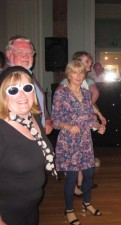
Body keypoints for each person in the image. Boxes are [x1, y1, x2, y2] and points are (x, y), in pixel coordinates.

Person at [0, 66, 57, 225]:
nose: (22, 95)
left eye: (27, 87)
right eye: (13, 90)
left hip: (31, 208)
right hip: (8, 213)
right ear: (3, 96)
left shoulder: (35, 119)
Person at [52, 60, 106, 225]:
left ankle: (86, 203)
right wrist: (67, 126)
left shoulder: (86, 93)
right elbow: (54, 120)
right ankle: (68, 211)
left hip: (85, 142)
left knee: (89, 175)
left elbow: (90, 119)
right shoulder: (61, 94)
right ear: (68, 74)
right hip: (69, 142)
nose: (78, 76)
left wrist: (98, 126)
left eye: (81, 72)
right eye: (75, 72)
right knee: (72, 178)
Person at [4, 35, 53, 135]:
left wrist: (46, 119)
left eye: (29, 52)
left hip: (37, 132)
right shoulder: (4, 79)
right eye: (20, 52)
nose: (26, 56)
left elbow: (38, 99)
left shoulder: (28, 74)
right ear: (8, 54)